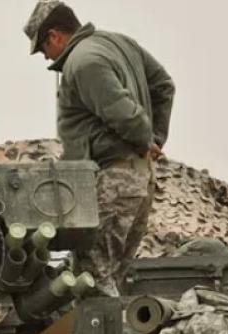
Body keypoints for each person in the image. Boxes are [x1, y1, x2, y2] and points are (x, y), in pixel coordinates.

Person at [23, 1, 175, 296]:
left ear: (54, 35)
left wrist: (147, 139)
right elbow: (164, 86)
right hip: (138, 178)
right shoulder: (118, 43)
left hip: (112, 180)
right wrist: (155, 138)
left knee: (91, 278)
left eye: (43, 49)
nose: (45, 58)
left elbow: (123, 113)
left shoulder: (83, 62)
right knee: (113, 275)